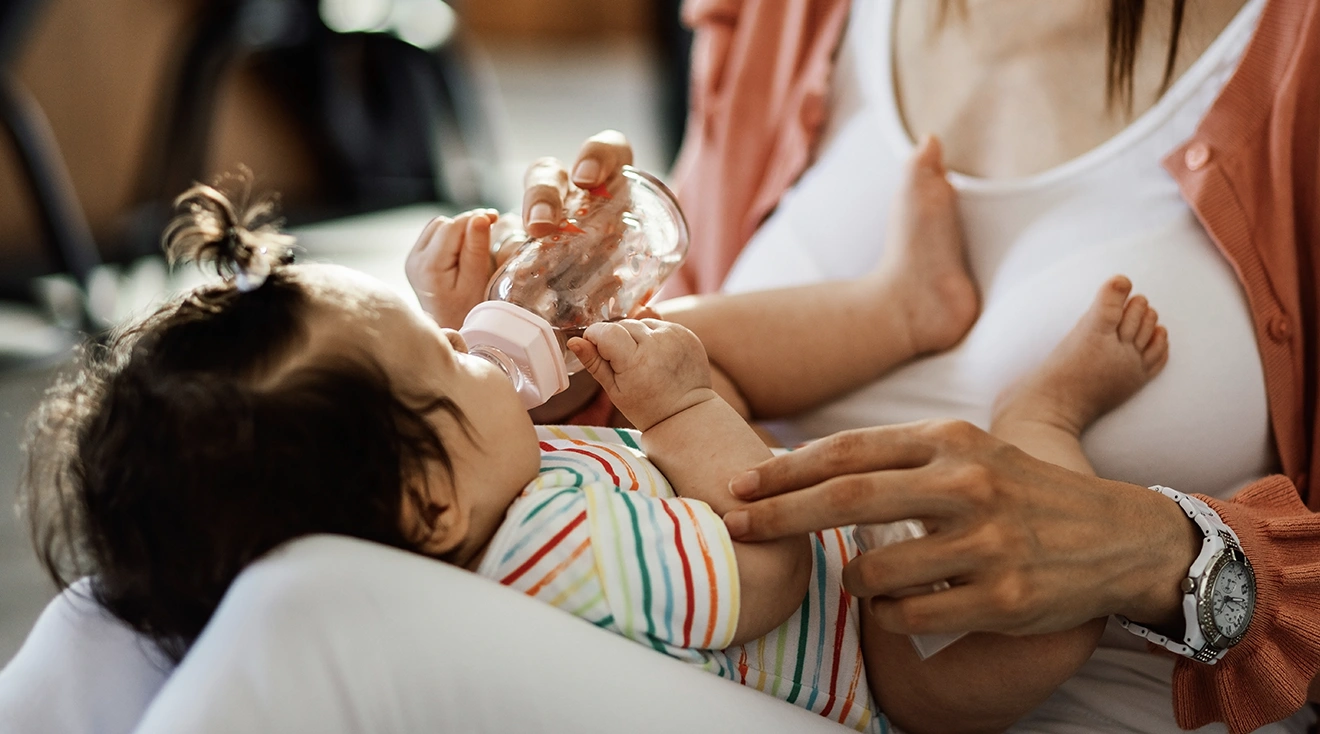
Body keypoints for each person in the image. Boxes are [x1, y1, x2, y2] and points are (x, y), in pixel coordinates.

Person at [24, 153, 1168, 731]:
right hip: (867, 661)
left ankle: (902, 305)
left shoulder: (457, 509)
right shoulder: (551, 542)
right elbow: (768, 571)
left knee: (98, 611)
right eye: (444, 361)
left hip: (774, 548)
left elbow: (414, 436)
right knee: (1036, 644)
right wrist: (678, 413)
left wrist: (465, 344)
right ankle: (1044, 420)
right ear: (423, 505)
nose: (472, 349)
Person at [505, 1, 1320, 732]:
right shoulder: (784, 19)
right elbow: (680, 398)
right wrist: (567, 336)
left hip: (940, 679)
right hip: (748, 632)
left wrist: (1153, 552)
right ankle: (907, 314)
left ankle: (1038, 411)